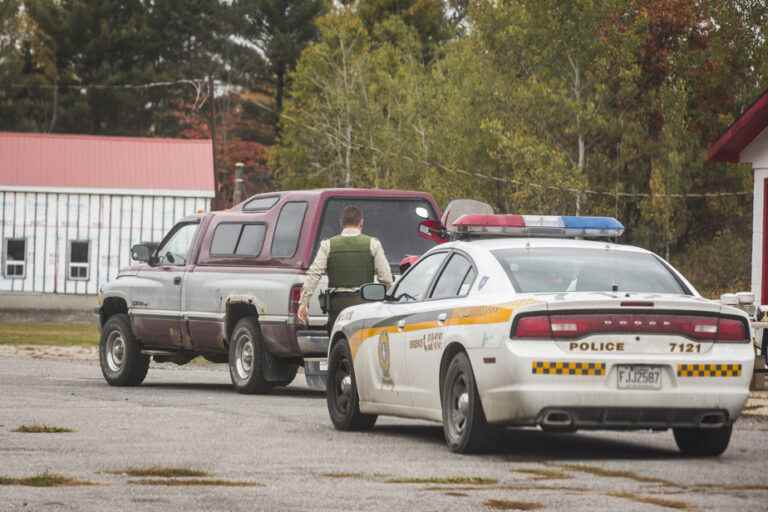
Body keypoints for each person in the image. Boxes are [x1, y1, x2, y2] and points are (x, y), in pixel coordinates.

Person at [297, 206, 393, 329]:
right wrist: (391, 299)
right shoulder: (373, 244)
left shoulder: (328, 245)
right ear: (361, 222)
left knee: (337, 340)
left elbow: (314, 274)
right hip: (363, 304)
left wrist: (304, 302)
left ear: (341, 223)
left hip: (337, 304)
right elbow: (385, 278)